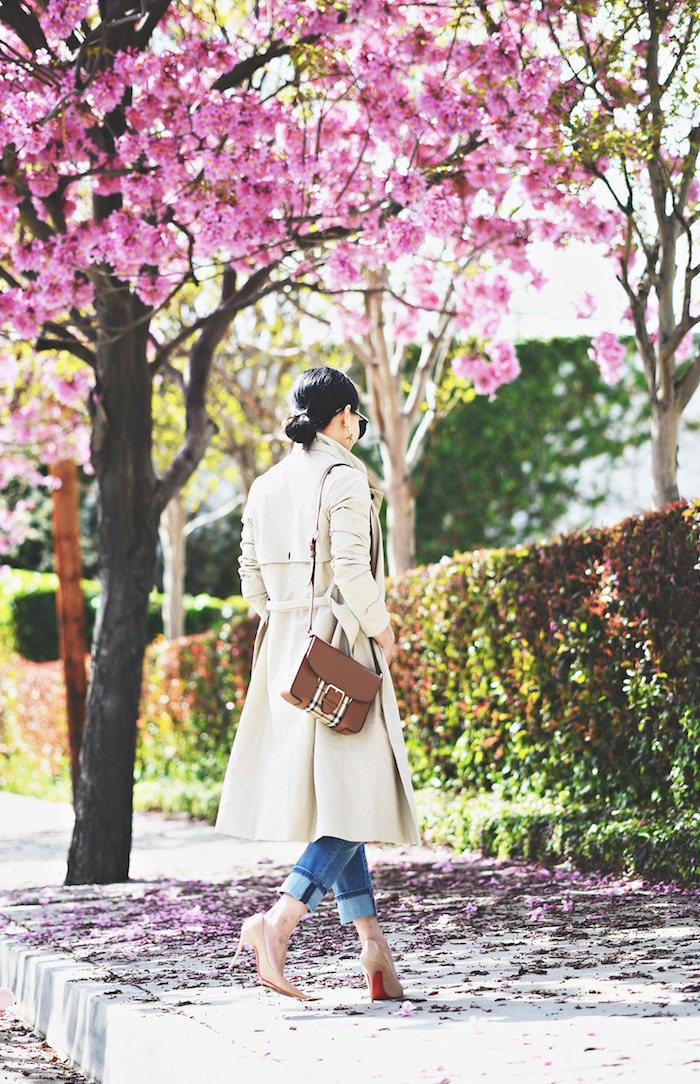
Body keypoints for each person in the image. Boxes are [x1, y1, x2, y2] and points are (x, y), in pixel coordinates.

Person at [216, 366, 420, 1002]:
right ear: (340, 418)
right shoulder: (345, 478)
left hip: (285, 654)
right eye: (356, 416)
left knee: (342, 798)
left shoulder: (266, 484)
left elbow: (249, 580)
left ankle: (372, 947)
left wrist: (285, 617)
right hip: (339, 655)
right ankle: (278, 922)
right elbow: (355, 576)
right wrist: (385, 634)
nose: (359, 427)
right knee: (354, 794)